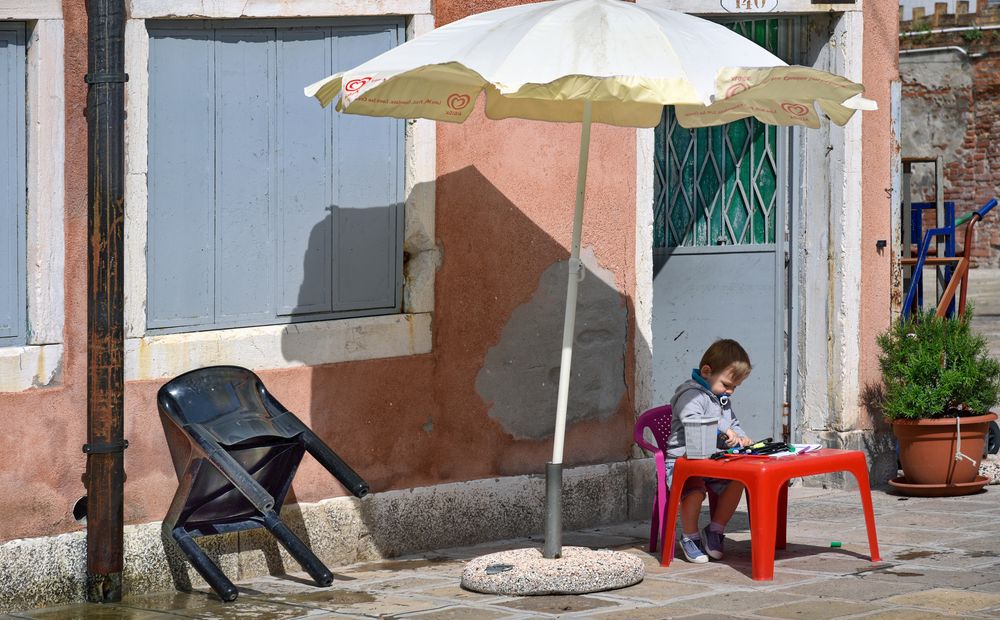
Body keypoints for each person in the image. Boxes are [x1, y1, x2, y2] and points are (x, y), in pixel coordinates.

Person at [665, 338, 753, 563]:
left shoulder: (721, 398)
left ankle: (715, 530)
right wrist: (723, 428)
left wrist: (741, 436)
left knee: (738, 481)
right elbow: (691, 417)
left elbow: (732, 422)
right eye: (726, 384)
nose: (730, 391)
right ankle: (690, 537)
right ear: (706, 372)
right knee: (694, 491)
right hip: (684, 463)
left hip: (712, 461)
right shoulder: (690, 393)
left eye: (735, 387)